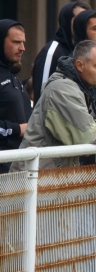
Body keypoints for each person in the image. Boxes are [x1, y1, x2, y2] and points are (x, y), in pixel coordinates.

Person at [10, 40, 96, 172]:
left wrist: (92, 129)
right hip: (33, 177)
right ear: (80, 65)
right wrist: (92, 130)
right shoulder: (62, 88)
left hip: (53, 176)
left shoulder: (89, 89)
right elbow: (86, 139)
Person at [32, 1, 91, 104]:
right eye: (78, 19)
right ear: (67, 21)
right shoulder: (52, 52)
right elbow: (42, 95)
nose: (82, 23)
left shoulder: (82, 51)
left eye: (86, 20)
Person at [0, 20, 31, 173]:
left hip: (19, 167)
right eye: (16, 42)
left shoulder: (12, 75)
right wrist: (17, 129)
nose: (22, 48)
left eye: (23, 42)